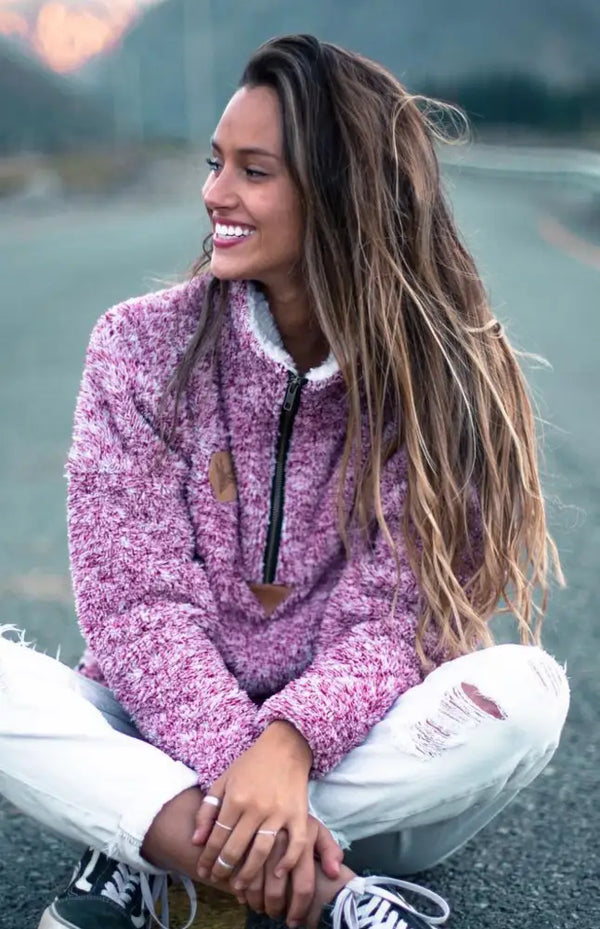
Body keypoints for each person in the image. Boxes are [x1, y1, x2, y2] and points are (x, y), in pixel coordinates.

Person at [0, 32, 569, 929]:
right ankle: (327, 887)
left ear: (340, 194)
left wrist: (291, 742)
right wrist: (244, 757)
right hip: (158, 721)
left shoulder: (442, 380)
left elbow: (397, 624)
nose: (214, 193)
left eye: (253, 171)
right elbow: (136, 607)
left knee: (528, 695)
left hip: (349, 752)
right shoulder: (137, 345)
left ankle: (157, 842)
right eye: (215, 162)